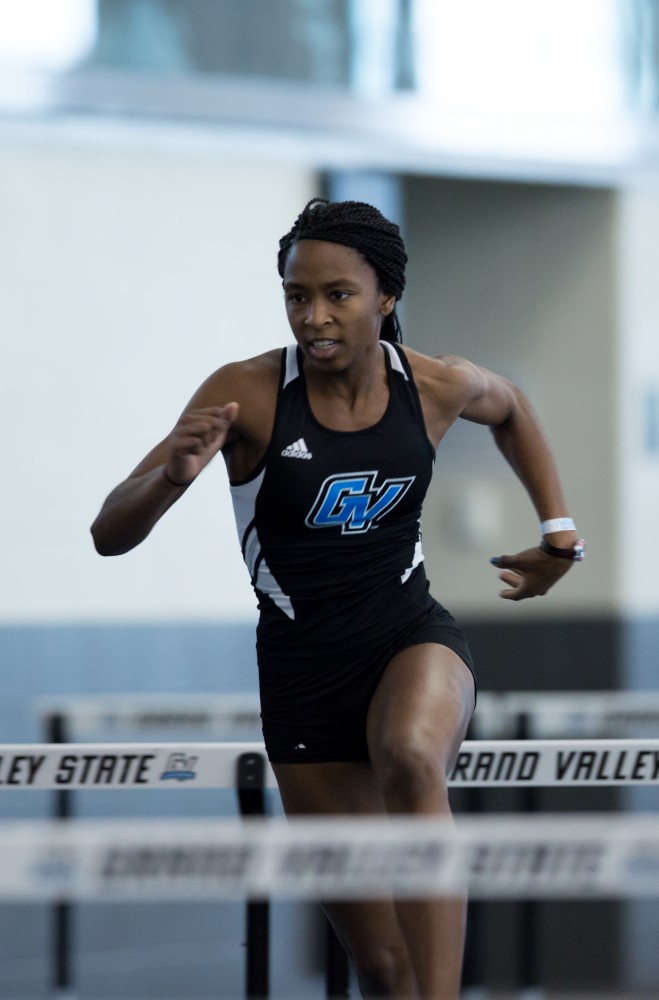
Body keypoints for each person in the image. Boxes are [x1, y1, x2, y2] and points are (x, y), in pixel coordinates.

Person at [91, 198, 583, 1000]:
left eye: (337, 296)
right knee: (383, 968)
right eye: (296, 296)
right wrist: (167, 480)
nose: (313, 317)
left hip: (408, 635)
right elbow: (109, 533)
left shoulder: (433, 385)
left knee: (412, 757)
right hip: (300, 672)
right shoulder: (245, 393)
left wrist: (559, 536)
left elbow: (513, 409)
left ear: (385, 297)